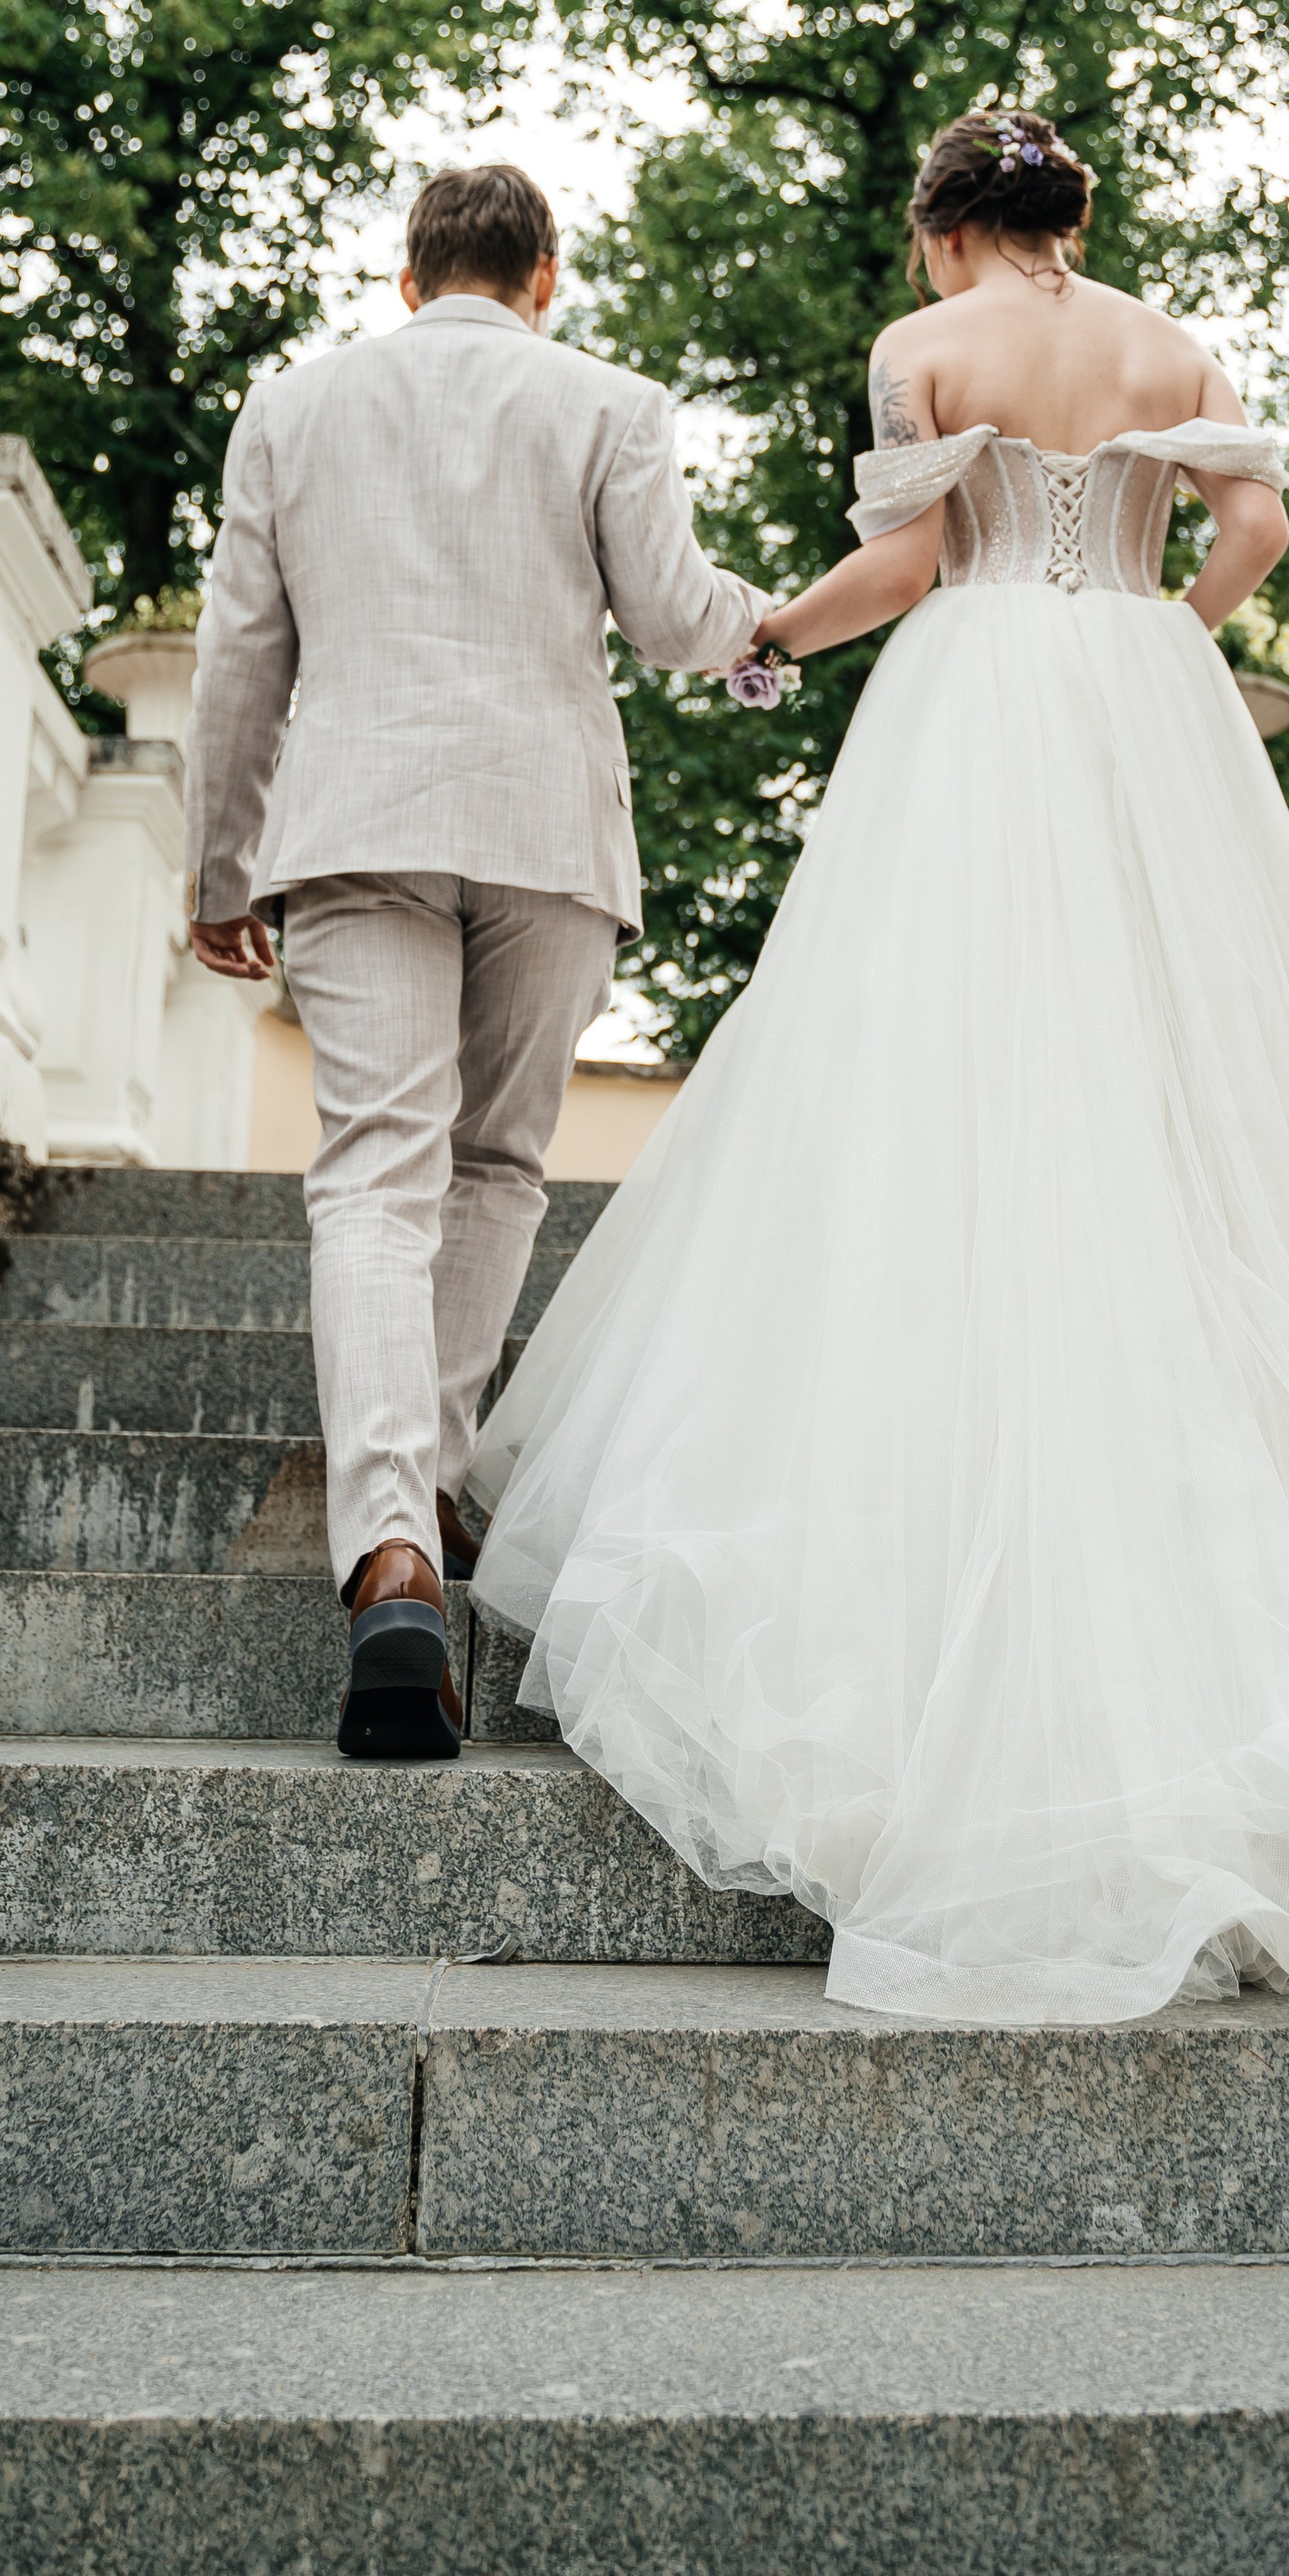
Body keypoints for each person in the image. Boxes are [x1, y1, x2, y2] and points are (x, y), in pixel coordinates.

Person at [469, 105, 1289, 2030]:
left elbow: (911, 561)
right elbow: (1254, 526)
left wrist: (766, 636)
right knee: (1187, 1060)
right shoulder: (1172, 348)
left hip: (980, 696)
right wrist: (1166, 635)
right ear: (1066, 220)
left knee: (944, 1039)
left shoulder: (923, 349)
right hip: (1142, 703)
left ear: (944, 229)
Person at [184, 163, 765, 1760]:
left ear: (409, 275)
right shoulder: (611, 405)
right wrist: (776, 630)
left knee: (377, 1173)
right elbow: (677, 619)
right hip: (546, 829)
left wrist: (220, 867)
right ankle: (427, 1492)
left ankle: (390, 1545)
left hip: (357, 819)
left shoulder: (294, 408)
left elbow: (241, 652)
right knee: (497, 1164)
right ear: (544, 277)